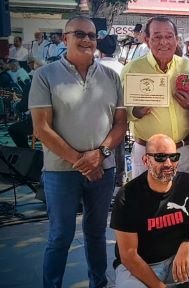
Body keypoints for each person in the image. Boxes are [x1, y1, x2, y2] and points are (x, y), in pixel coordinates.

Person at [29, 15, 127, 288]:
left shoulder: (111, 76)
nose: (86, 40)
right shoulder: (44, 76)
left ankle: (99, 283)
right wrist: (81, 161)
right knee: (60, 236)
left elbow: (121, 124)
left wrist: (101, 156)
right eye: (79, 34)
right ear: (65, 38)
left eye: (92, 36)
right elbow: (41, 128)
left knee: (96, 233)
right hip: (61, 172)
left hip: (102, 170)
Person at [110, 134, 189, 288]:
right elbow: (129, 256)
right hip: (139, 267)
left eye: (173, 157)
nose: (168, 163)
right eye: (160, 157)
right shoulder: (128, 195)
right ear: (146, 160)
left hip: (177, 259)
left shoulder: (188, 183)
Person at [123, 16, 189, 182]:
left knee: (187, 203)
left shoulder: (188, 67)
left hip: (186, 150)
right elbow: (119, 109)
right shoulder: (133, 69)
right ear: (147, 40)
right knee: (148, 205)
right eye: (157, 37)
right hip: (147, 152)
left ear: (176, 39)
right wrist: (135, 111)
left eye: (169, 36)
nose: (164, 42)